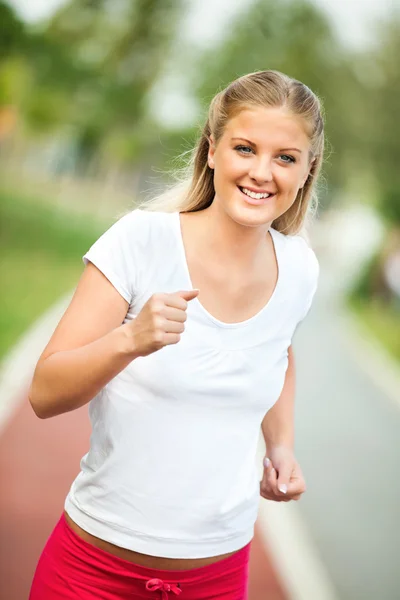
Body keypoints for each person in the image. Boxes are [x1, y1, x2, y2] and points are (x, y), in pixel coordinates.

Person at [28, 69, 324, 600]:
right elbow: (45, 394)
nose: (262, 172)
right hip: (92, 571)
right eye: (245, 148)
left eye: (285, 157)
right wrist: (129, 339)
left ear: (308, 169)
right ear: (211, 151)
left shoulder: (300, 267)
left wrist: (281, 446)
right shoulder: (140, 241)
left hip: (218, 577)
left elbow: (279, 349)